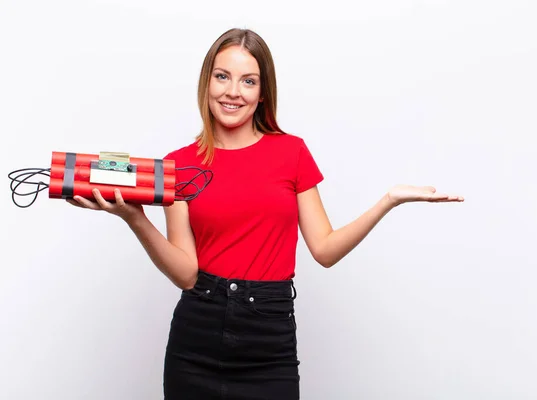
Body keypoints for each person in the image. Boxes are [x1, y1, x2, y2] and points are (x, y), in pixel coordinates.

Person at [67, 28, 463, 400]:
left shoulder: (291, 153)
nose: (233, 92)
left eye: (248, 81)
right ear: (207, 83)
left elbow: (324, 250)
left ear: (262, 92)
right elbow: (186, 272)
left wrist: (387, 201)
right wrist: (134, 218)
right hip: (197, 336)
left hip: (268, 338)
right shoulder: (180, 166)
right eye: (222, 76)